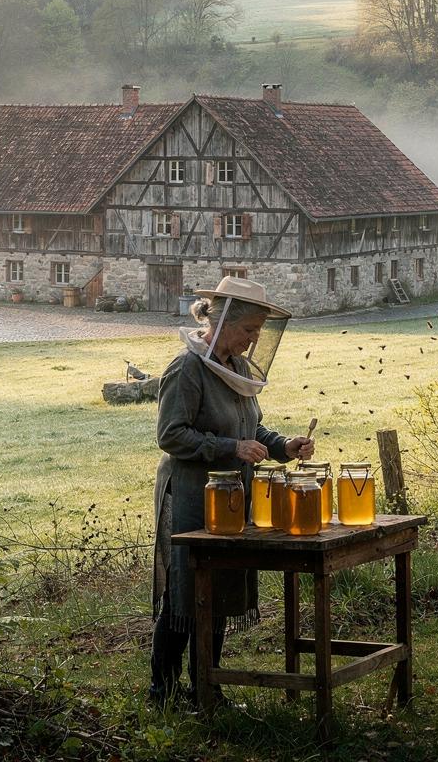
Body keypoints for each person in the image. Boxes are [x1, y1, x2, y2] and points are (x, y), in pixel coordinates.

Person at [148, 276, 314, 707]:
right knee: (185, 594)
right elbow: (171, 435)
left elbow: (250, 428)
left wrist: (283, 447)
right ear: (222, 323)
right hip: (188, 493)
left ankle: (208, 686)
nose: (255, 339)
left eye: (260, 331)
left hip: (230, 495)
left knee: (217, 589)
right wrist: (229, 448)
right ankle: (161, 693)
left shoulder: (238, 370)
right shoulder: (186, 368)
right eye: (249, 330)